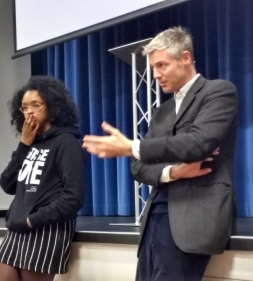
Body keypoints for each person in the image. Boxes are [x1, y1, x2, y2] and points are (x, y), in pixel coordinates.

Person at [82, 26, 238, 281]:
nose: (155, 75)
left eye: (162, 65)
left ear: (185, 58)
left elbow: (198, 143)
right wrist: (174, 171)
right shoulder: (161, 112)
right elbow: (138, 167)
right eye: (153, 67)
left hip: (193, 216)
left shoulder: (218, 92)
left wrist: (133, 146)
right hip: (155, 215)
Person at [0, 76, 85, 281]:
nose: (30, 111)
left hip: (46, 230)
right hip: (17, 230)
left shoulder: (66, 142)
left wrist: (31, 220)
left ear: (52, 106)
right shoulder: (30, 142)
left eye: (36, 105)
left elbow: (73, 197)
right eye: (24, 107)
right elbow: (7, 184)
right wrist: (24, 145)